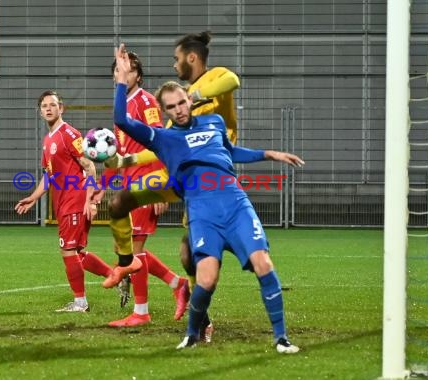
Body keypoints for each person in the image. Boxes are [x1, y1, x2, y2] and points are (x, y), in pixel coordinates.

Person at [112, 44, 303, 353]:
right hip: (201, 209)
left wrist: (268, 154)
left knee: (263, 263)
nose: (179, 110)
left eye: (182, 103)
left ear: (190, 99)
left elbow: (229, 152)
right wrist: (122, 80)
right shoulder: (163, 138)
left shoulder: (213, 122)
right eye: (171, 107)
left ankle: (282, 339)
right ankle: (191, 334)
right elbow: (121, 120)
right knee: (207, 277)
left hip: (234, 202)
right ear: (165, 112)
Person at [102, 31, 240, 339]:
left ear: (190, 57)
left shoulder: (202, 86)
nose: (173, 63)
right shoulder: (171, 104)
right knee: (181, 252)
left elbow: (232, 80)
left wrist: (194, 95)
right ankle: (176, 289)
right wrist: (123, 168)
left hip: (212, 179)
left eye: (176, 58)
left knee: (194, 253)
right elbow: (161, 143)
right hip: (179, 177)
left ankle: (148, 310)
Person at [104, 52, 190, 327]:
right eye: (118, 71)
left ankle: (141, 311)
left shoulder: (145, 101)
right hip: (130, 184)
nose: (123, 76)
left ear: (137, 76)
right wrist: (101, 185)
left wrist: (159, 185)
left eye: (128, 71)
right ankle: (177, 284)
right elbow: (119, 153)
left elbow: (159, 142)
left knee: (134, 247)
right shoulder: (121, 105)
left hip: (146, 183)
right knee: (127, 247)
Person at [15, 90, 115, 313]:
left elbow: (89, 166)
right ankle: (115, 275)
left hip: (75, 199)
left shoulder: (69, 134)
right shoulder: (48, 139)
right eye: (44, 106)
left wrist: (91, 201)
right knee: (77, 252)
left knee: (68, 251)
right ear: (40, 112)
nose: (48, 108)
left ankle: (80, 303)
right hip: (63, 202)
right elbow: (49, 175)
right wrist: (33, 197)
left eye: (53, 105)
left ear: (61, 108)